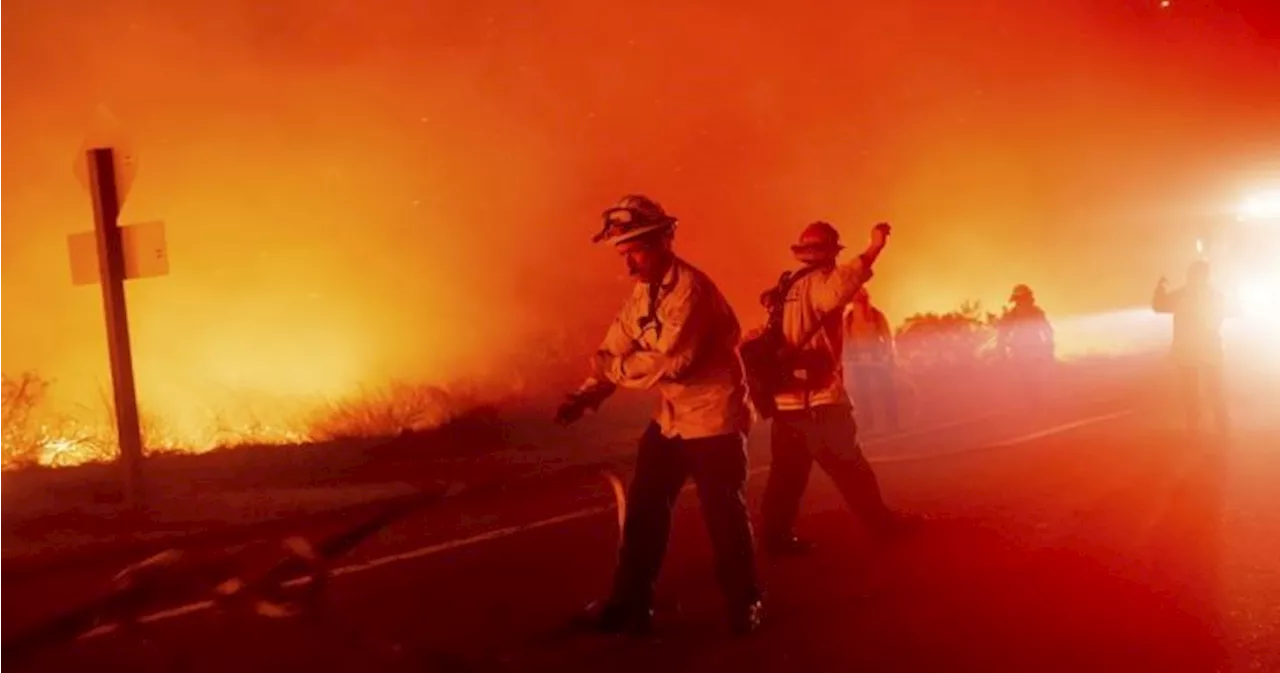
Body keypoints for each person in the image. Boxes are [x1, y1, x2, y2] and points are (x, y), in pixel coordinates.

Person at [554, 194, 764, 636]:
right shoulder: (643, 292)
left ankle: (746, 604)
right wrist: (587, 394)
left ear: (665, 239)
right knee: (646, 509)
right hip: (671, 420)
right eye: (623, 253)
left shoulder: (691, 291)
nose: (629, 264)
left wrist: (607, 371)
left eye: (636, 251)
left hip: (713, 420)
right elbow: (617, 345)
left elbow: (670, 363)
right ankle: (630, 604)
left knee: (723, 515)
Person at [758, 220, 917, 557]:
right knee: (850, 465)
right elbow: (842, 285)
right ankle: (882, 526)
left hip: (787, 401)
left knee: (787, 474)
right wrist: (875, 248)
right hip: (818, 399)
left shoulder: (787, 285)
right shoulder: (820, 282)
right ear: (830, 255)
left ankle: (775, 538)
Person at [1152, 261, 1230, 435]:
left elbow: (1159, 305)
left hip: (1192, 349)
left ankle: (1203, 425)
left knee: (1200, 389)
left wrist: (1160, 288)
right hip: (1202, 349)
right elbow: (1160, 306)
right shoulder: (1213, 295)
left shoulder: (1185, 295)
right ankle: (1216, 425)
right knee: (1207, 389)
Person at [844, 287, 899, 432]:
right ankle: (868, 423)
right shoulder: (849, 318)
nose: (859, 304)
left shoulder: (876, 315)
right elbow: (846, 341)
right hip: (859, 363)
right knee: (863, 394)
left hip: (878, 360)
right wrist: (847, 358)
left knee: (886, 390)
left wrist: (888, 355)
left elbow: (887, 337)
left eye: (862, 300)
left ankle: (893, 422)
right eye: (857, 301)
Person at [996, 284, 1055, 405]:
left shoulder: (1035, 312)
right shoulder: (1015, 314)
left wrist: (1049, 346)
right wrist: (1002, 346)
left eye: (1020, 299)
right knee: (1025, 377)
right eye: (1018, 300)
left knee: (1034, 376)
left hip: (1034, 349)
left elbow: (1047, 330)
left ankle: (1036, 400)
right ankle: (1032, 400)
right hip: (1021, 350)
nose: (1019, 303)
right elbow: (1004, 331)